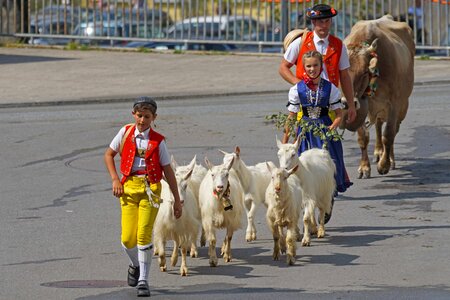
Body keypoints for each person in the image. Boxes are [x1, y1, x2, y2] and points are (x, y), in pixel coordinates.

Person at [104, 96, 183, 297]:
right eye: (139, 116)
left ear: (154, 117)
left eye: (147, 117)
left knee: (143, 235)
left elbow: (168, 171)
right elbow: (108, 155)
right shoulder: (125, 132)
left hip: (151, 190)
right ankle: (135, 264)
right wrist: (115, 179)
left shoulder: (158, 141)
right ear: (134, 115)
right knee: (127, 239)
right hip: (128, 188)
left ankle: (143, 281)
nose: (142, 120)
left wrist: (176, 198)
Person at [283, 50, 352, 223]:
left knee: (328, 166)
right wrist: (285, 142)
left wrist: (333, 127)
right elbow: (291, 118)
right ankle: (308, 213)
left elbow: (338, 114)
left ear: (321, 66)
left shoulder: (330, 88)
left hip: (324, 131)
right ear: (303, 68)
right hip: (305, 132)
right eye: (308, 66)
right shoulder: (297, 89)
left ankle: (327, 198)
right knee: (303, 170)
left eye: (315, 65)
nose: (312, 69)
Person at [279, 3, 356, 127]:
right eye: (320, 22)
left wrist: (351, 105)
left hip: (328, 103)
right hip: (305, 103)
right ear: (314, 22)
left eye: (327, 21)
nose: (324, 25)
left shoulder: (338, 45)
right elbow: (283, 67)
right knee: (304, 139)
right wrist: (299, 84)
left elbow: (345, 76)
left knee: (327, 142)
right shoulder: (300, 42)